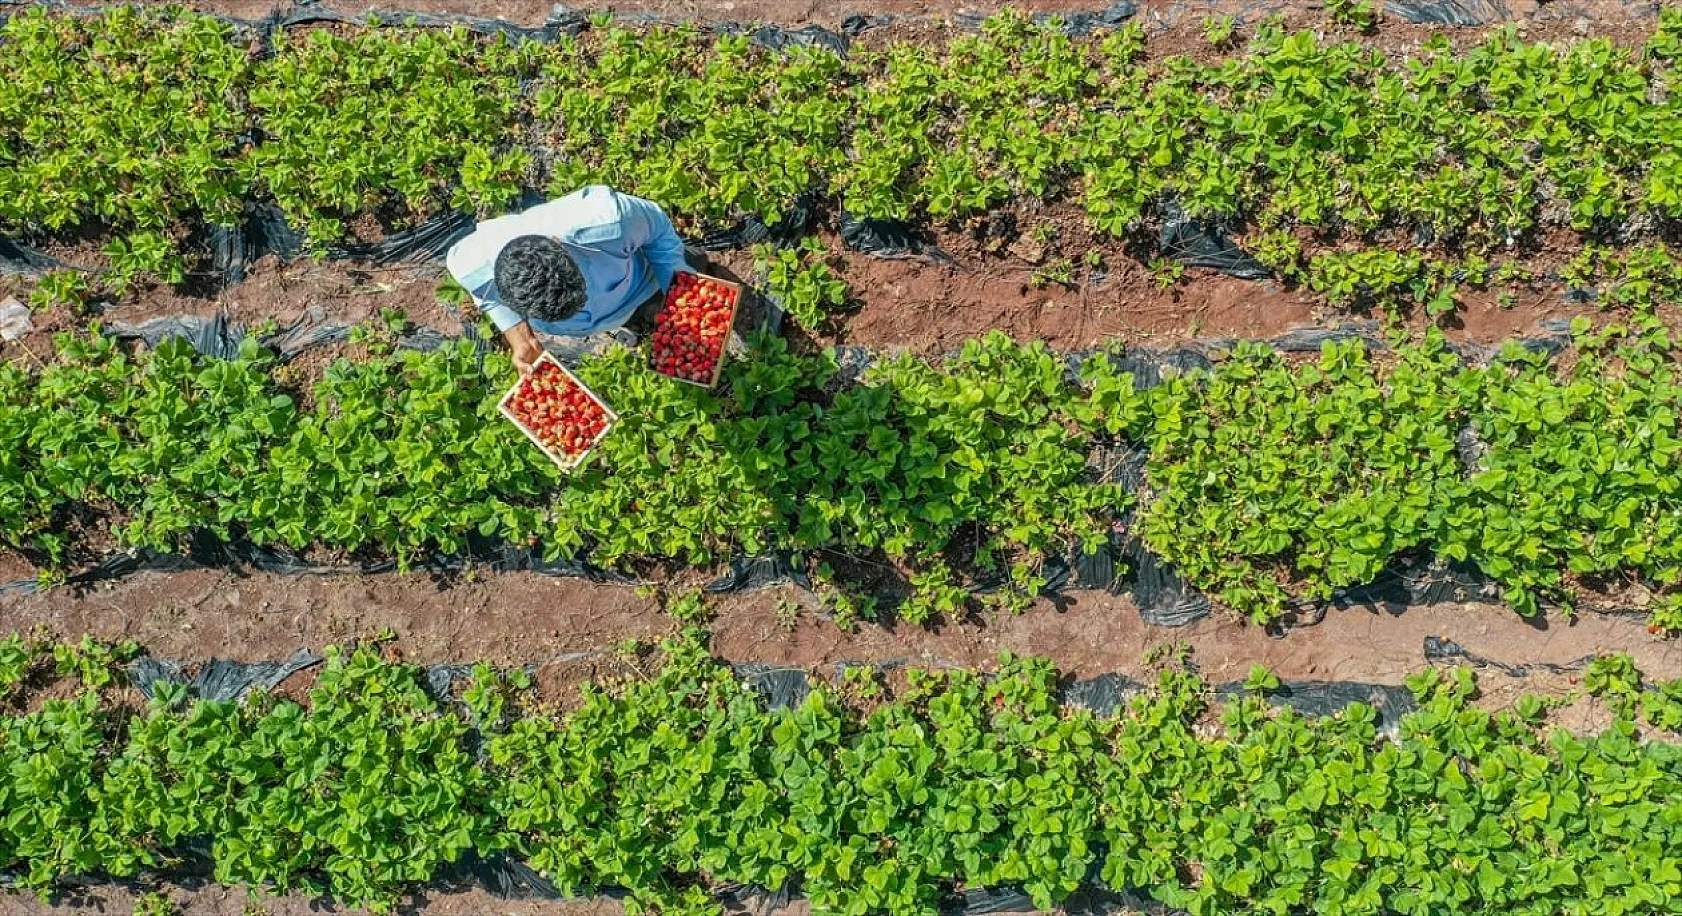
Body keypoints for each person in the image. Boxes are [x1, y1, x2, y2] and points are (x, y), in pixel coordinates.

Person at [445, 185, 695, 375]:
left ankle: (646, 308)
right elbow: (484, 295)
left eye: (581, 295)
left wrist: (680, 290)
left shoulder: (611, 221)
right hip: (596, 319)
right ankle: (629, 323)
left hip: (639, 283)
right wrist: (520, 337)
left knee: (694, 270)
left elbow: (659, 231)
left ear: (557, 242)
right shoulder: (470, 263)